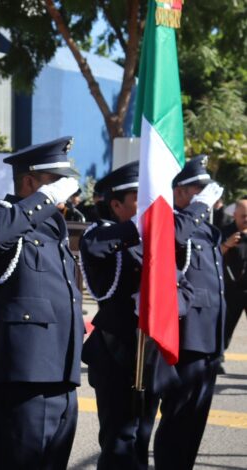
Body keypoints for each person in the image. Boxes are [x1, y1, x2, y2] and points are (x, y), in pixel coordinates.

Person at [0, 136, 84, 469]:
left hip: (61, 375)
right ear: (31, 182)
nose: (64, 191)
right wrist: (44, 198)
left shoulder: (51, 228)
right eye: (56, 182)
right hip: (21, 378)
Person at [80, 162, 192, 470]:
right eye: (138, 199)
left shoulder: (158, 242)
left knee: (141, 439)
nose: (148, 206)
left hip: (152, 354)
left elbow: (186, 290)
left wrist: (166, 304)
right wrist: (142, 224)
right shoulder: (102, 234)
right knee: (119, 442)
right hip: (117, 354)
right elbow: (94, 247)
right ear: (116, 205)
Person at [154, 155, 226, 469]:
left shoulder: (209, 231)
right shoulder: (170, 221)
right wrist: (197, 209)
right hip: (186, 339)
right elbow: (172, 239)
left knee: (195, 421)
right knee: (178, 417)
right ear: (180, 191)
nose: (205, 196)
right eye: (199, 189)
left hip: (209, 340)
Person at [221, 196, 247, 350]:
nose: (246, 219)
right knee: (226, 327)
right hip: (232, 289)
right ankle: (218, 358)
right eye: (243, 216)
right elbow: (213, 256)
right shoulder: (225, 233)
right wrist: (227, 245)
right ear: (235, 215)